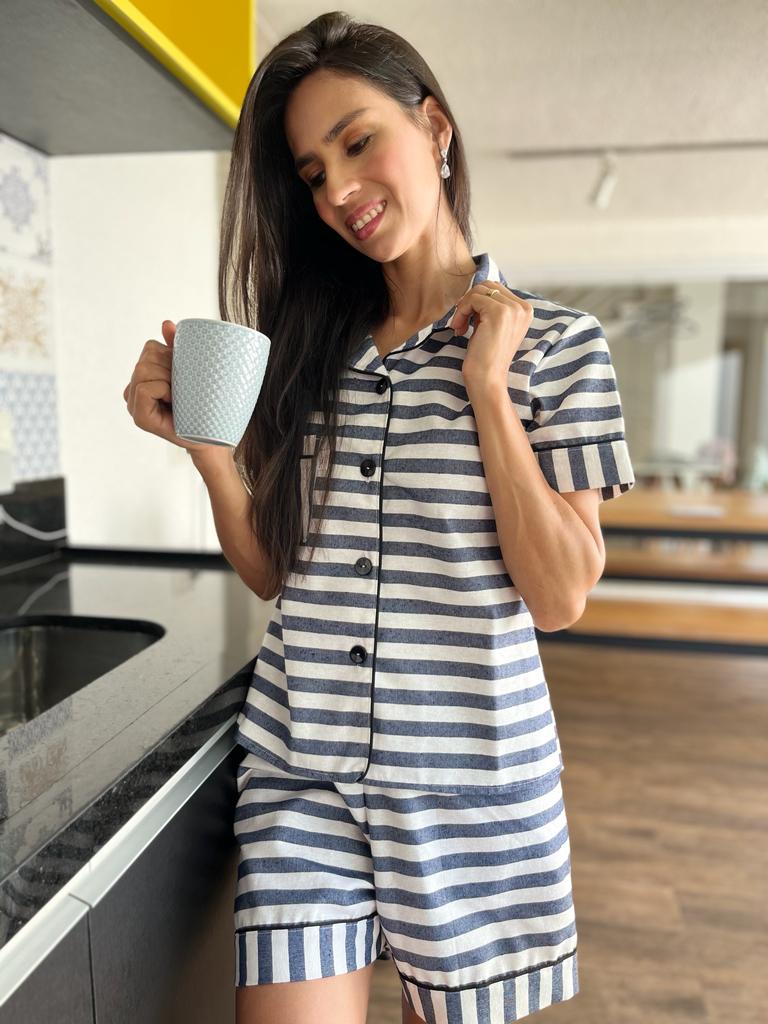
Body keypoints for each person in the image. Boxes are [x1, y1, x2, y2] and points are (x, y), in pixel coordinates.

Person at [125, 12, 635, 1024]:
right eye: (313, 173)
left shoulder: (562, 348)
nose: (338, 191)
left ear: (435, 128)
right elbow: (279, 572)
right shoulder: (308, 354)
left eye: (358, 142)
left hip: (475, 790)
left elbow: (561, 594)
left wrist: (487, 388)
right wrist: (209, 450)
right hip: (303, 775)